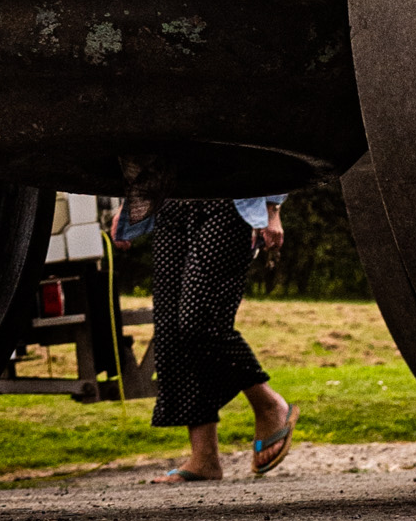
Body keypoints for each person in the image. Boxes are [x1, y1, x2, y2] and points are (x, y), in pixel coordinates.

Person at [108, 190, 298, 480]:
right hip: (172, 201)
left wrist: (272, 209)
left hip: (226, 200)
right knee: (171, 332)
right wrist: (130, 203)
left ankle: (269, 405)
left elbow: (270, 158)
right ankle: (204, 457)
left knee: (200, 322)